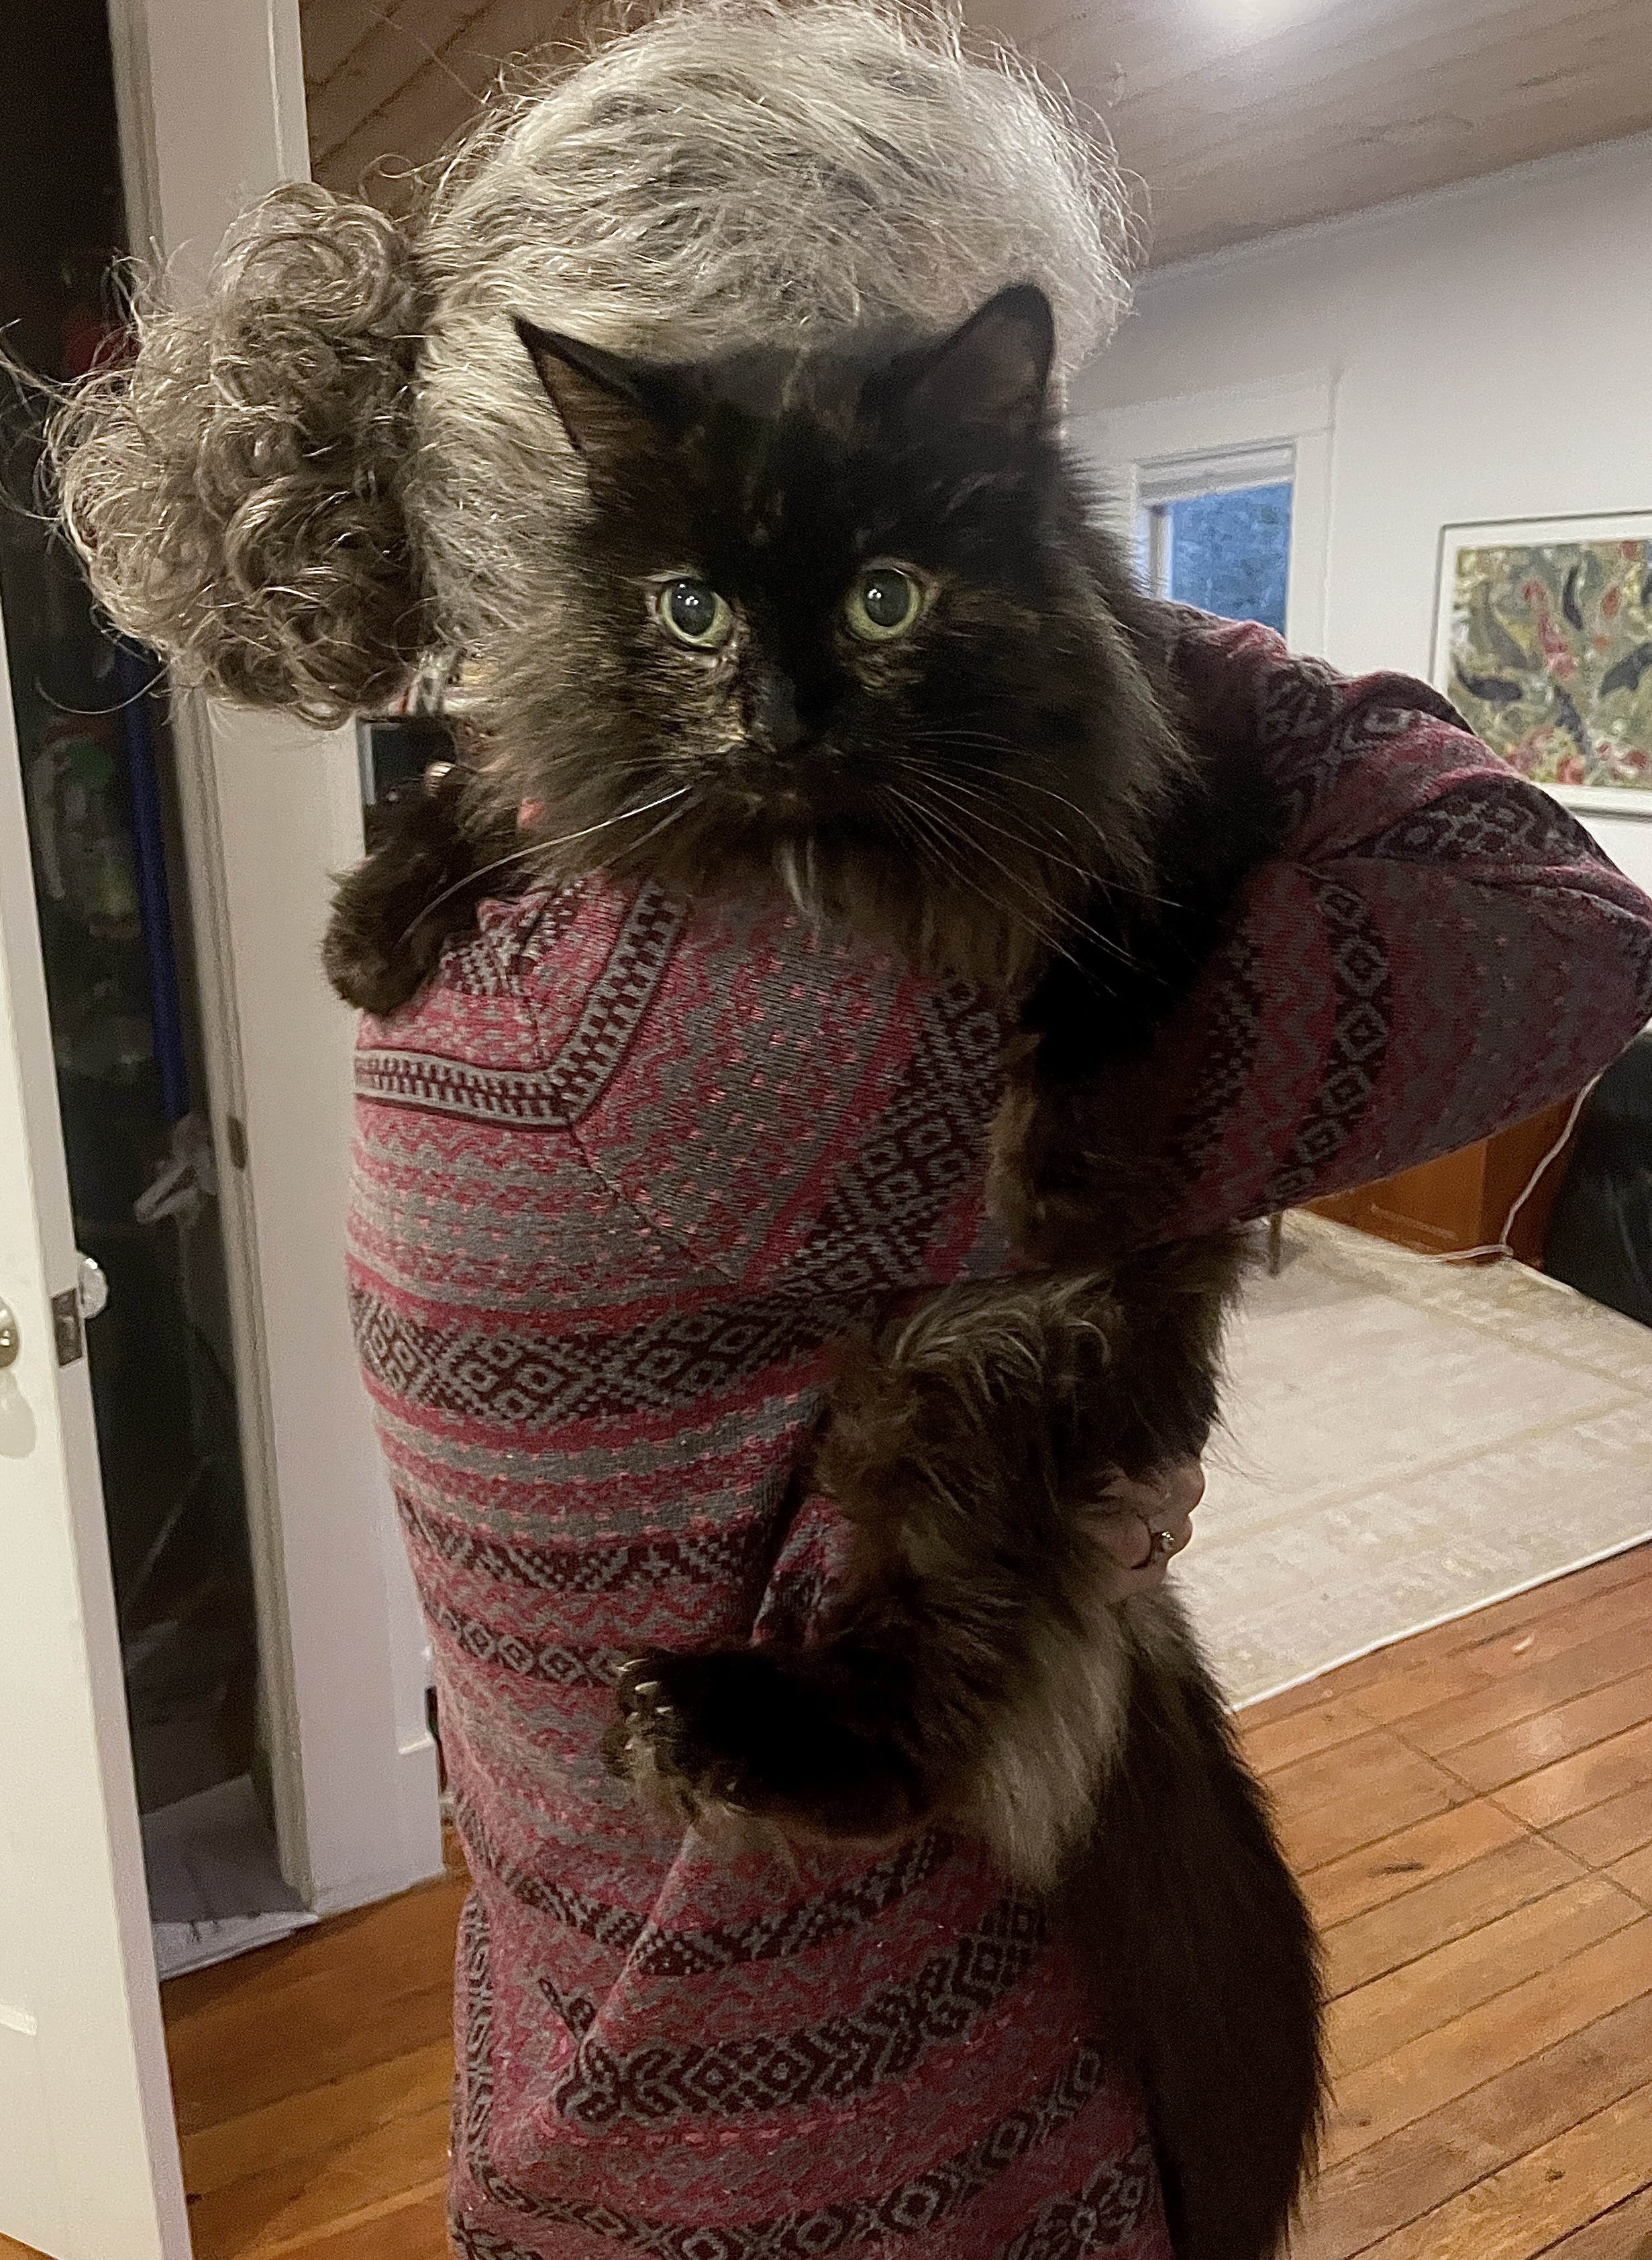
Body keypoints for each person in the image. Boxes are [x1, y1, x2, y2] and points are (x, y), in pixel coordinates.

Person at [50, 6, 1652, 2252]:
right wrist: (1080, 595)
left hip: (592, 2057)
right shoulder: (798, 1019)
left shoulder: (512, 910)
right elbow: (1571, 929)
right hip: (896, 2153)